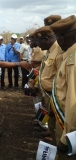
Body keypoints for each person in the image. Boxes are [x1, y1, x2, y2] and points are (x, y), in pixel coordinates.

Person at [50, 15, 76, 160]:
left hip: (69, 128)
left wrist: (66, 138)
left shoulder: (73, 61)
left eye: (60, 36)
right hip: (65, 122)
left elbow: (73, 103)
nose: (59, 41)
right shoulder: (68, 56)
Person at [34, 25, 63, 146]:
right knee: (52, 125)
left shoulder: (59, 51)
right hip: (47, 96)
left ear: (46, 39)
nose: (38, 46)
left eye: (39, 42)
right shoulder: (50, 51)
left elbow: (60, 80)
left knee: (58, 127)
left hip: (55, 97)